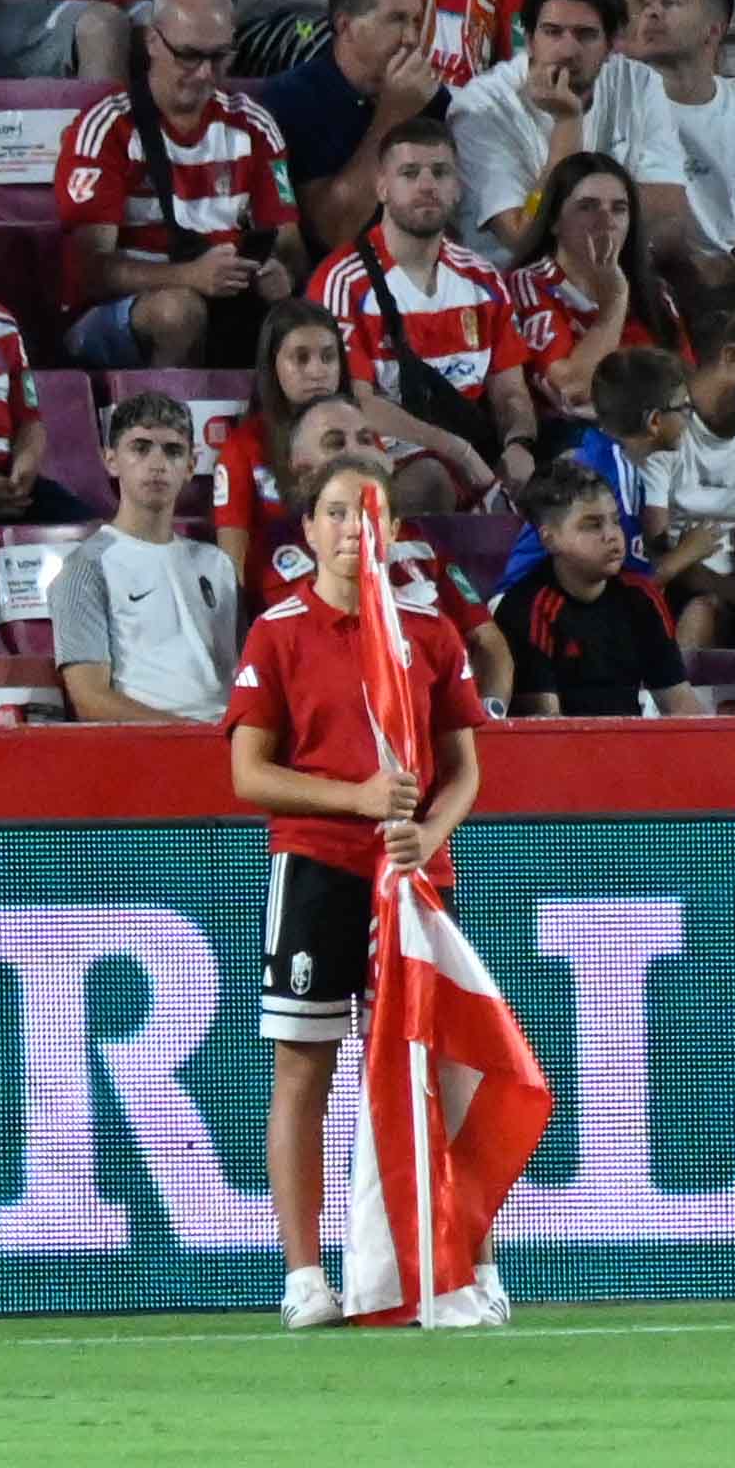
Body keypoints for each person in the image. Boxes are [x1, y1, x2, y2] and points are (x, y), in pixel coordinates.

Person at [227, 486, 499, 1330]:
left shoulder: (428, 632)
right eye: (337, 512)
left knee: (446, 1068)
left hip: (416, 876)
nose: (354, 528)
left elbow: (466, 769)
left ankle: (468, 1267)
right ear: (307, 530)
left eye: (369, 511)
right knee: (305, 1065)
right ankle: (306, 1275)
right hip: (315, 868)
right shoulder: (278, 631)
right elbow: (248, 774)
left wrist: (426, 829)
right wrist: (360, 799)